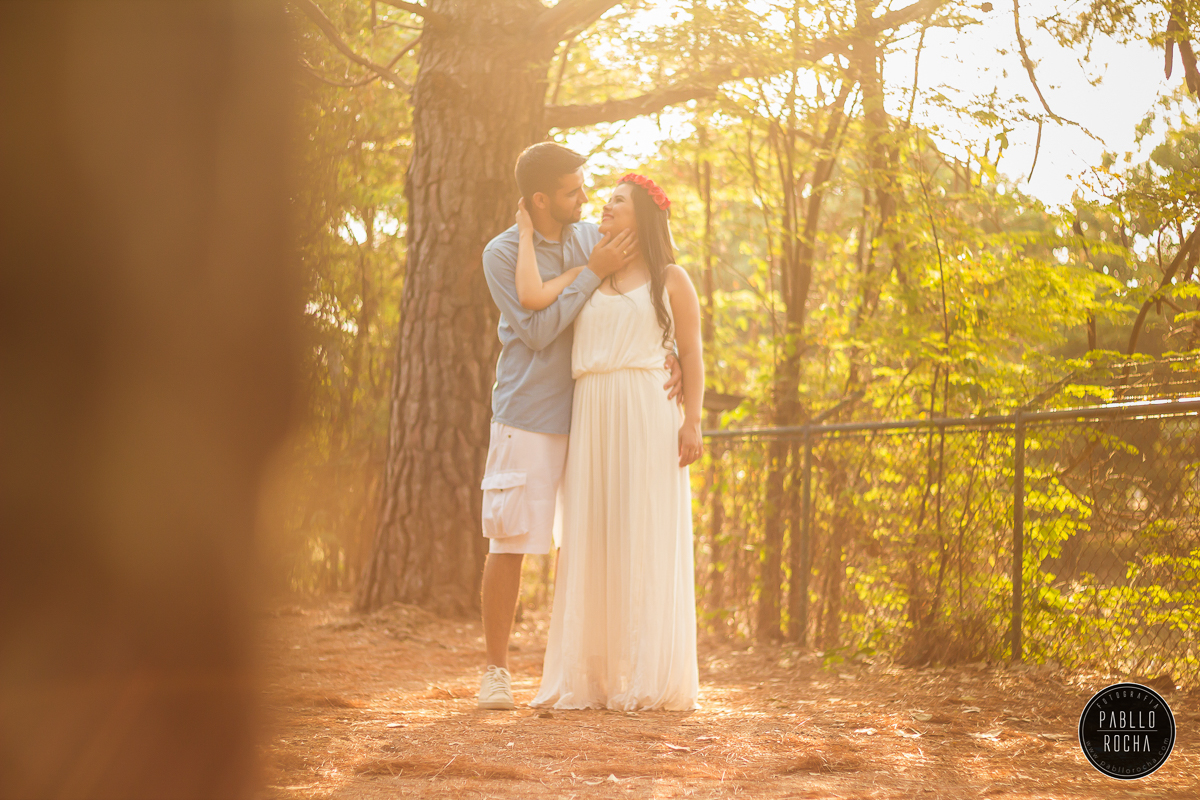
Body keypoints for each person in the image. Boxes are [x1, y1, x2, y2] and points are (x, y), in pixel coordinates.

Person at [477, 144, 683, 710]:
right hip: (532, 414)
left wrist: (677, 358)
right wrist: (590, 274)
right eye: (574, 191)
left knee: (596, 542)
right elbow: (537, 332)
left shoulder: (588, 236)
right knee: (512, 539)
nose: (587, 199)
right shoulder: (501, 254)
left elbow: (652, 280)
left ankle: (599, 669)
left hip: (596, 416)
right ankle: (496, 671)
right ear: (540, 199)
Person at [527, 173, 704, 711]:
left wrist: (692, 421)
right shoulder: (589, 273)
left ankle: (646, 675)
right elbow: (535, 302)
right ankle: (589, 677)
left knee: (642, 533)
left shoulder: (671, 278)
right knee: (592, 534)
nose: (603, 207)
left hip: (648, 412)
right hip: (593, 412)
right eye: (604, 201)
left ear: (642, 218)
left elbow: (692, 354)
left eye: (617, 203)